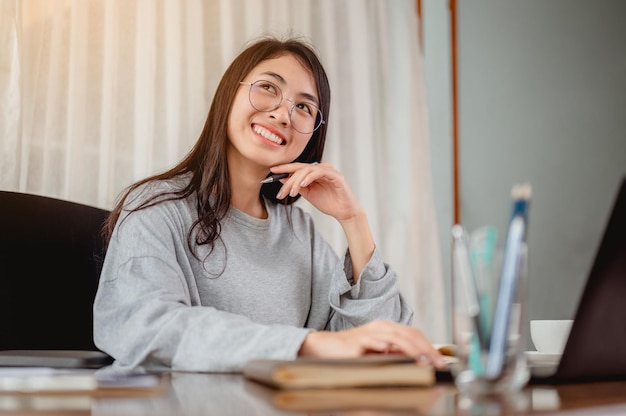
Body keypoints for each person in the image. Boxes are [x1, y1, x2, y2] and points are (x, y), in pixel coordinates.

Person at [93, 36, 445, 372]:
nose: (282, 114)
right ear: (229, 94)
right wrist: (305, 346)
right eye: (268, 88)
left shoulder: (298, 231)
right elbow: (145, 326)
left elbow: (375, 348)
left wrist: (354, 221)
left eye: (304, 107)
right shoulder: (157, 208)